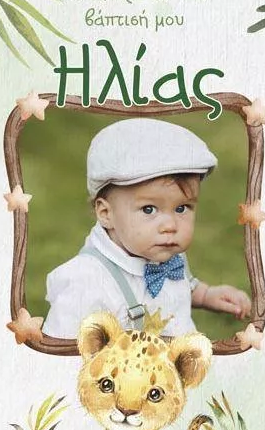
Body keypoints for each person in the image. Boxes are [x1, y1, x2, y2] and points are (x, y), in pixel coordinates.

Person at [42, 119, 253, 340]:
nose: (170, 225)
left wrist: (207, 295)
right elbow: (60, 349)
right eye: (149, 209)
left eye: (181, 208)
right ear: (106, 213)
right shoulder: (86, 282)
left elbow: (177, 288)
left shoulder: (165, 252)